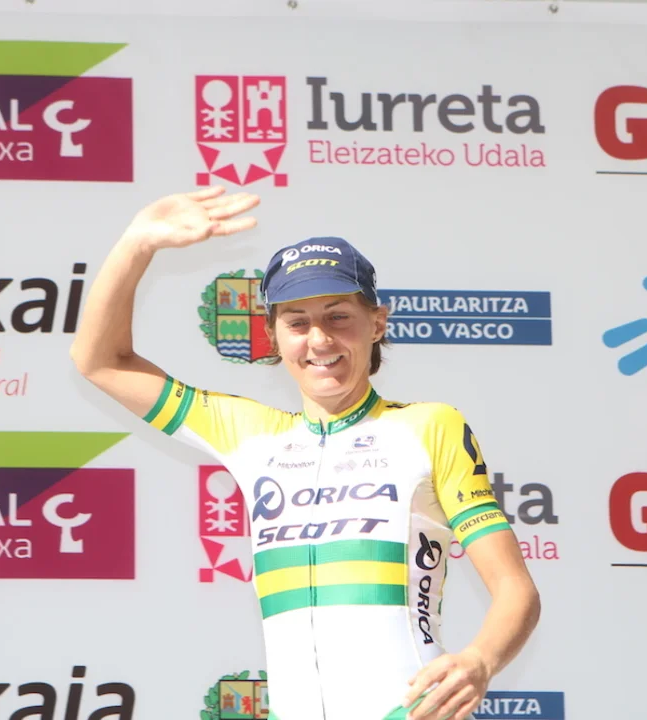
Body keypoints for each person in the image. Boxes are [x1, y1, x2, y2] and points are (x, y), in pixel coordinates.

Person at [70, 187, 541, 720]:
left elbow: (515, 589)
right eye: (296, 322)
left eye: (338, 317)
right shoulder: (250, 434)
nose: (318, 340)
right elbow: (99, 361)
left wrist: (480, 660)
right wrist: (137, 244)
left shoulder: (429, 426)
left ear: (377, 323)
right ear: (273, 336)